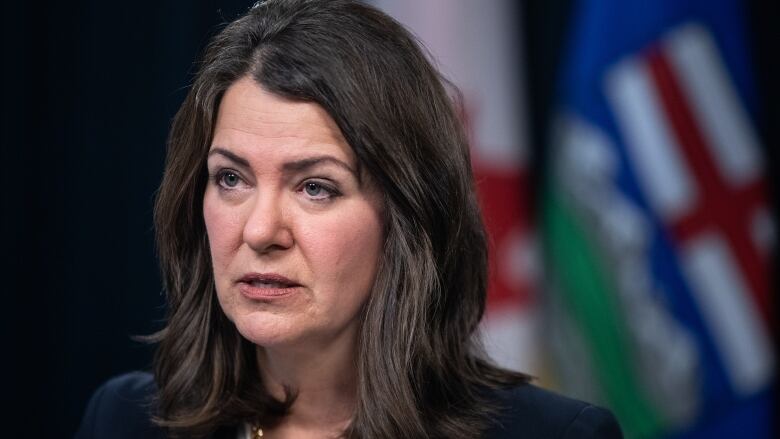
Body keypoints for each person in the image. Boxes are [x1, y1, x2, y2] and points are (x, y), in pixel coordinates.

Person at [76, 0, 623, 438]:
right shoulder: (126, 420)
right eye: (231, 179)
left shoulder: (554, 434)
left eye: (316, 187)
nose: (260, 230)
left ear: (405, 221)